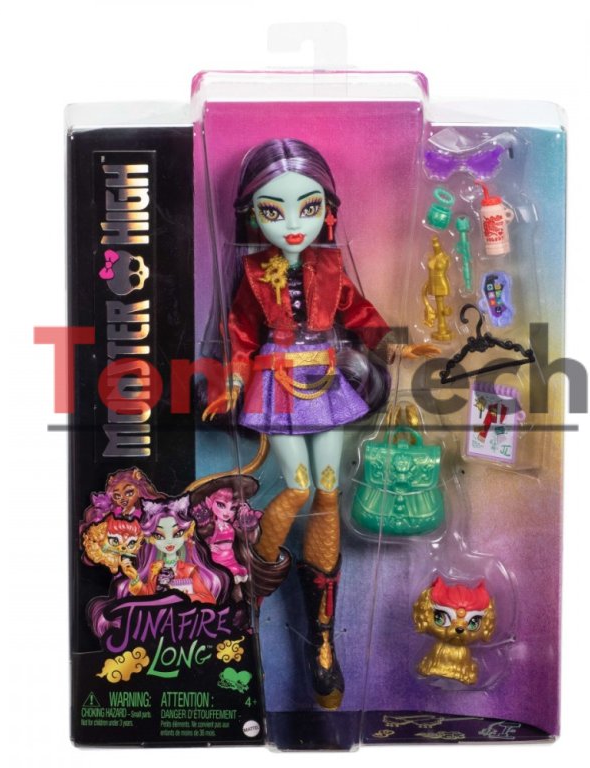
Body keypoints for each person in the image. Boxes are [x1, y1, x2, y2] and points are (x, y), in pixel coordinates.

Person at [203, 138, 436, 708]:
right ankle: (249, 595)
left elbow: (359, 312)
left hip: (328, 385)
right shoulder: (252, 270)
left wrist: (397, 345)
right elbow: (239, 331)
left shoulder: (330, 264)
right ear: (252, 214)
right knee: (297, 488)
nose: (292, 224)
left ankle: (323, 641)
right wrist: (230, 380)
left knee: (328, 490)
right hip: (276, 384)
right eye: (273, 210)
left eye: (307, 208)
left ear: (327, 211)